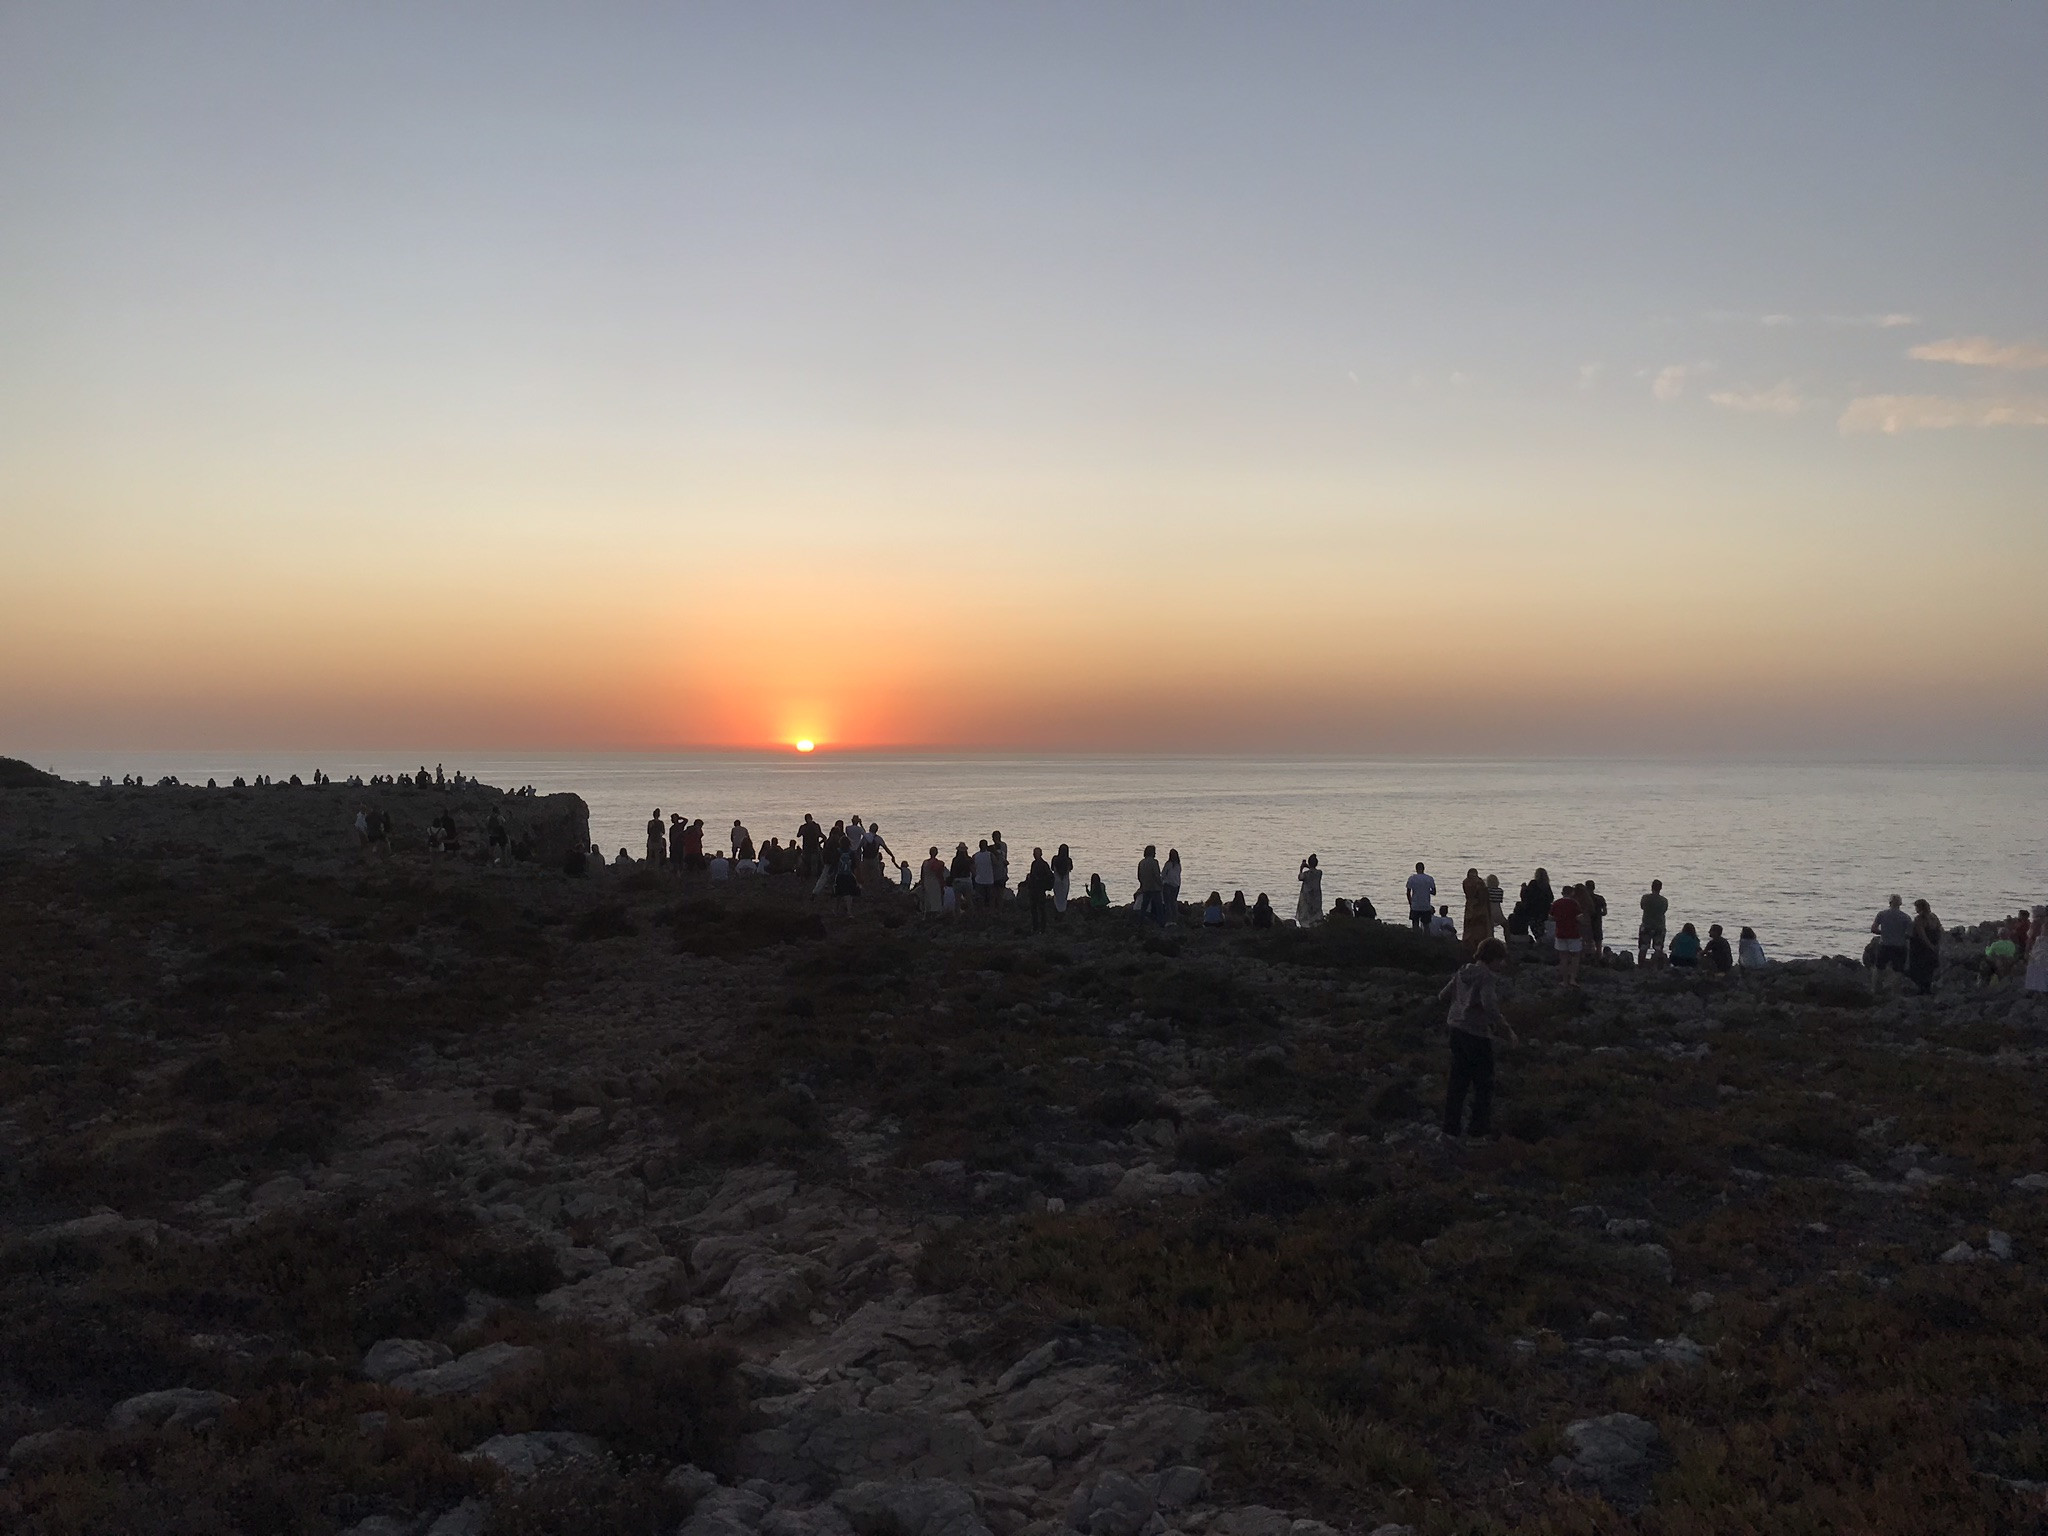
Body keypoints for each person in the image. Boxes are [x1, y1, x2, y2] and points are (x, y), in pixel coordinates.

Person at [1440, 937, 1517, 1138]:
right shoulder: (1486, 977)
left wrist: (1460, 1002)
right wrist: (1506, 1030)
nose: (1503, 964)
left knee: (1458, 1082)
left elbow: (1443, 995)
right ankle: (1477, 1133)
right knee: (1484, 1085)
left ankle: (1450, 1129)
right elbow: (1489, 1005)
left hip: (1456, 1030)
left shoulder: (1462, 971)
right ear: (1492, 958)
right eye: (1501, 959)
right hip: (1476, 1035)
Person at [1870, 895, 1913, 992]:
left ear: (1889, 903)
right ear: (1900, 903)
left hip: (1884, 945)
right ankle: (1893, 991)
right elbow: (1909, 934)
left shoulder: (1882, 914)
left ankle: (1876, 989)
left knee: (1879, 968)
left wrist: (1883, 932)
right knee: (1898, 971)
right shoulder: (1906, 917)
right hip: (1899, 946)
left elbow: (1873, 929)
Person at [1908, 898, 1943, 995]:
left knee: (1919, 968)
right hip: (1933, 946)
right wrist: (1936, 945)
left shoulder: (1919, 919)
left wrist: (1930, 946)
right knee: (1929, 969)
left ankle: (1921, 989)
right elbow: (1940, 930)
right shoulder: (1934, 917)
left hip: (1920, 948)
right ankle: (1928, 988)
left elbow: (1922, 935)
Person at [1550, 883, 1583, 985]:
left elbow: (1550, 917)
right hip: (1573, 933)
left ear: (1562, 893)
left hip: (1560, 933)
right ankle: (1572, 979)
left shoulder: (1556, 903)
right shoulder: (1575, 904)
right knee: (1575, 956)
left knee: (1563, 957)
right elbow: (1579, 918)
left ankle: (1564, 981)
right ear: (1572, 893)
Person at [1638, 880, 1669, 962]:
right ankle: (1657, 967)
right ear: (1661, 888)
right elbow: (1664, 910)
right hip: (1659, 926)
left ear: (1652, 887)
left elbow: (1642, 907)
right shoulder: (1664, 900)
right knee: (1658, 949)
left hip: (1646, 925)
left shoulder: (1645, 898)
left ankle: (1640, 967)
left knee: (1643, 947)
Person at [1025, 847, 1055, 932]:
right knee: (1034, 909)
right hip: (1034, 889)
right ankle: (1036, 927)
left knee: (1041, 909)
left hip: (1040, 889)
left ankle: (1042, 927)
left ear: (1041, 854)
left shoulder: (1044, 864)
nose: (1034, 855)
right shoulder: (1034, 863)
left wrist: (1040, 880)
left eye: (1036, 853)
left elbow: (1049, 876)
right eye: (1034, 853)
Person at [1136, 845, 1165, 926]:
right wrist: (1161, 885)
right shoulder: (1154, 862)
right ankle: (1161, 923)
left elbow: (1139, 875)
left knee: (1144, 906)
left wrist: (1142, 884)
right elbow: (1156, 875)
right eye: (1154, 851)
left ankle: (1140, 922)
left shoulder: (1141, 862)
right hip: (1155, 888)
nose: (1155, 853)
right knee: (1159, 907)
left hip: (1146, 887)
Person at [1461, 868, 1490, 948]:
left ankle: (1467, 944)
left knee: (1468, 927)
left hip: (1469, 906)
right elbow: (1482, 897)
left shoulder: (1465, 882)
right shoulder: (1479, 883)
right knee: (1479, 929)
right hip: (1478, 908)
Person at [1581, 879, 1607, 959]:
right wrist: (1598, 914)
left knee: (1584, 943)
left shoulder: (1583, 899)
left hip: (1586, 923)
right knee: (1598, 943)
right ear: (1594, 888)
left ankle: (1585, 960)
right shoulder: (1600, 898)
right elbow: (1605, 912)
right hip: (1597, 923)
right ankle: (1598, 960)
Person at [1296, 854, 1324, 927]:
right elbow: (1313, 870)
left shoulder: (1306, 874)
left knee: (1305, 914)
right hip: (1316, 896)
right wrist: (1308, 866)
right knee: (1316, 913)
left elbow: (1300, 877)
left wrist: (1302, 868)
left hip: (1306, 896)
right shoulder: (1319, 873)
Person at [2025, 905, 2048, 996]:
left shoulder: (2037, 924)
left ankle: (2037, 989)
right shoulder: (2042, 923)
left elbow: (2030, 938)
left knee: (2036, 966)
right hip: (2041, 946)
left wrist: (2027, 950)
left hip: (2041, 947)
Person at [920, 847, 948, 918]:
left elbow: (922, 874)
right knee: (936, 901)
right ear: (937, 853)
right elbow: (940, 875)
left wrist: (922, 883)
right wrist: (942, 884)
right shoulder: (939, 863)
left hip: (927, 883)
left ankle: (926, 916)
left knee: (928, 900)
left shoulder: (925, 862)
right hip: (935, 884)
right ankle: (935, 916)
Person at [1407, 862, 1437, 929]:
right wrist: (1426, 891)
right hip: (1426, 905)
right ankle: (1426, 939)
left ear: (1416, 869)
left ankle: (1416, 938)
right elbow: (1434, 892)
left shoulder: (1412, 878)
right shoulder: (1429, 878)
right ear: (1424, 869)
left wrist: (1410, 903)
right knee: (1426, 926)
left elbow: (1408, 893)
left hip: (1415, 905)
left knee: (1415, 925)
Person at [972, 839, 997, 907]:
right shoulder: (990, 855)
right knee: (991, 898)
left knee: (980, 898)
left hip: (979, 880)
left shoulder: (975, 856)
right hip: (989, 880)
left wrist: (975, 875)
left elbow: (972, 868)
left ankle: (982, 913)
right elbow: (996, 864)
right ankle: (990, 912)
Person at [1050, 844, 1074, 915]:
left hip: (1056, 879)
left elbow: (1052, 868)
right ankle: (1063, 910)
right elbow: (1071, 868)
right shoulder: (1068, 860)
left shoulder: (1055, 858)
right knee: (1064, 896)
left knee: (1057, 895)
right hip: (1065, 880)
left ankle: (1057, 909)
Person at [1161, 849, 1183, 921]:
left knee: (1167, 903)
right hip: (1176, 885)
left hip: (1168, 884)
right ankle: (1175, 918)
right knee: (1173, 902)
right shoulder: (1178, 865)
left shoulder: (1168, 864)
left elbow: (1163, 874)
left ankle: (1169, 919)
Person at [990, 831, 1010, 901]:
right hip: (996, 872)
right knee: (996, 892)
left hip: (1000, 871)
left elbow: (1002, 856)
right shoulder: (993, 848)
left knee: (999, 891)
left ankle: (999, 907)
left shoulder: (1001, 846)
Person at [1486, 874, 1507, 940]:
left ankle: (1491, 941)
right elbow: (1499, 900)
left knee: (1490, 929)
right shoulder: (1500, 891)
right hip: (1498, 912)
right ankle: (1508, 941)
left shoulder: (1486, 891)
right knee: (1506, 926)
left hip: (1489, 912)